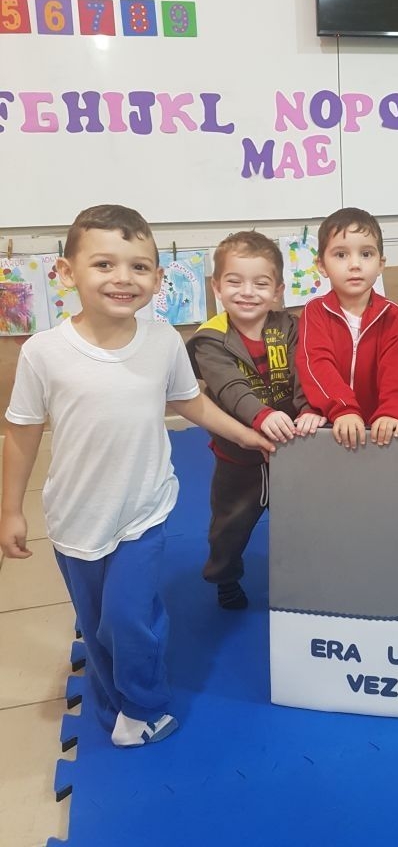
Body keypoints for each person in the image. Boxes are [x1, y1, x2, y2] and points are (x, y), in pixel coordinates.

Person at [0, 205, 274, 747]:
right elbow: (22, 434)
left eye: (139, 267)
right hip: (75, 516)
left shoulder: (163, 340)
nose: (123, 278)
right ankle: (112, 694)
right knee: (96, 621)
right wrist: (11, 510)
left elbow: (189, 401)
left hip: (143, 510)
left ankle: (145, 706)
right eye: (104, 264)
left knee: (129, 618)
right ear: (66, 272)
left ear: (157, 277)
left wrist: (245, 435)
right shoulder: (43, 353)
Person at [187, 231, 324, 610]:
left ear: (278, 290)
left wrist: (310, 409)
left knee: (301, 520)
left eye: (260, 284)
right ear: (217, 286)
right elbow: (229, 386)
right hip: (237, 458)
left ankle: (303, 576)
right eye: (234, 281)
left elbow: (305, 371)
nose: (247, 292)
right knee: (229, 526)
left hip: (292, 450)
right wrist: (261, 416)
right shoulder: (209, 339)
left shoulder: (291, 327)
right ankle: (225, 577)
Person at [297, 207, 398, 449]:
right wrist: (343, 409)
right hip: (330, 424)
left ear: (380, 264)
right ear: (321, 265)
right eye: (341, 255)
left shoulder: (395, 317)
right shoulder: (314, 312)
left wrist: (391, 412)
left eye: (366, 254)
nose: (355, 264)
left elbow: (396, 371)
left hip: (379, 429)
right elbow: (316, 365)